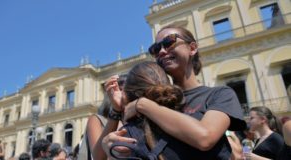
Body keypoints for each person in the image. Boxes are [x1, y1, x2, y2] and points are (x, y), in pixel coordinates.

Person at [102, 25, 246, 159]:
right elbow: (100, 156)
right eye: (155, 49)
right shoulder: (154, 99)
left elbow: (205, 137)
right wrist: (114, 116)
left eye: (169, 42)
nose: (162, 51)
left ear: (192, 48)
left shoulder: (219, 94)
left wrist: (142, 104)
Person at [81, 75, 126, 160]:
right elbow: (98, 157)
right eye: (121, 90)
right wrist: (116, 110)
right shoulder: (97, 119)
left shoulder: (133, 119)